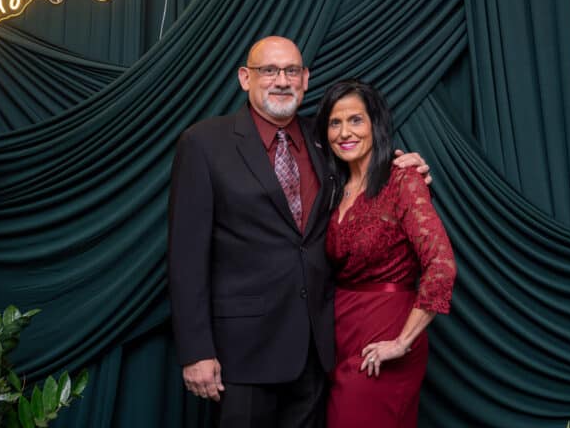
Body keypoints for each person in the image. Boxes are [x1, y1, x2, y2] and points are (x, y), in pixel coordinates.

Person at [167, 36, 430, 428]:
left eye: (291, 71)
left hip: (317, 347)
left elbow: (364, 182)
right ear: (245, 78)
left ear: (305, 79)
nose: (281, 80)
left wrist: (405, 171)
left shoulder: (326, 139)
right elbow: (186, 257)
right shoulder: (204, 143)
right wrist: (196, 351)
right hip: (242, 352)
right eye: (269, 70)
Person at [314, 79, 457, 428]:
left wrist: (402, 342)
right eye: (335, 123)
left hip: (386, 329)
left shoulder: (402, 179)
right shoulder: (333, 188)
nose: (344, 132)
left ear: (375, 125)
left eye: (356, 120)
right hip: (340, 332)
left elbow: (441, 266)